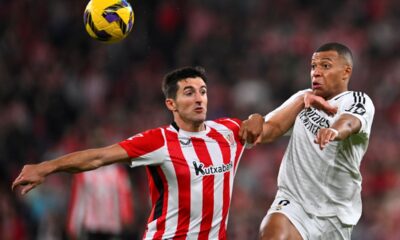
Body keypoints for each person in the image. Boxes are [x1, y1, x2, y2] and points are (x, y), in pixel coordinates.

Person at [12, 66, 330, 239]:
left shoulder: (229, 133)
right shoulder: (159, 141)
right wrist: (46, 167)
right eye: (189, 93)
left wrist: (304, 96)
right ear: (171, 104)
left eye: (203, 91)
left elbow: (272, 126)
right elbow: (99, 157)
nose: (199, 99)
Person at [249, 43, 375, 240]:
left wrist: (334, 130)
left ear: (346, 71)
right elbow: (270, 129)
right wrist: (255, 121)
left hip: (335, 215)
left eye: (325, 66)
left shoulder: (357, 100)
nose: (316, 72)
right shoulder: (303, 98)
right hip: (293, 201)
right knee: (272, 232)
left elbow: (350, 122)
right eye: (313, 66)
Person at [67, 165, 134, 240]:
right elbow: (78, 200)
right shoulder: (84, 173)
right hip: (91, 227)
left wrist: (126, 218)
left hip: (112, 227)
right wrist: (73, 226)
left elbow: (124, 197)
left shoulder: (118, 172)